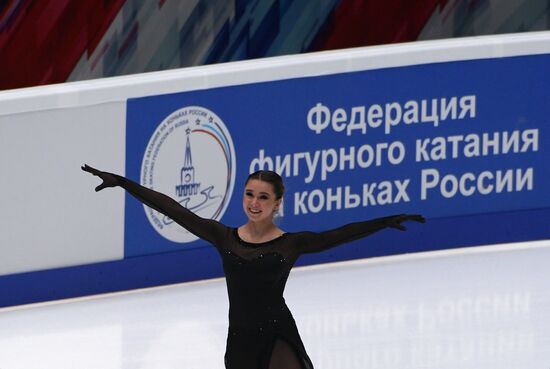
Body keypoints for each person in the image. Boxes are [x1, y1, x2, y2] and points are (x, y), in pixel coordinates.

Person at [82, 164, 424, 369]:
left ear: (277, 203)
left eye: (262, 197)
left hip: (278, 334)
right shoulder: (223, 236)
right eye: (249, 194)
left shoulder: (292, 244)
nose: (254, 203)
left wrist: (384, 221)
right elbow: (174, 209)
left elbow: (340, 234)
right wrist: (124, 183)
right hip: (240, 340)